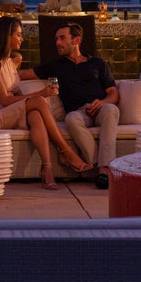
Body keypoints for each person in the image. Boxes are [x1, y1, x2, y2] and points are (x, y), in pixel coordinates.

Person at [0, 16, 90, 190]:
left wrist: (30, 101)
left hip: (8, 111)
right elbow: (5, 100)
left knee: (35, 113)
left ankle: (47, 168)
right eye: (19, 35)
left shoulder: (14, 61)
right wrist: (40, 94)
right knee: (36, 101)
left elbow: (15, 91)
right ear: (7, 36)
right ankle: (66, 151)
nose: (22, 38)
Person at [26, 22, 119, 190]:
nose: (57, 43)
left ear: (76, 40)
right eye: (56, 39)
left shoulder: (98, 63)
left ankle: (102, 169)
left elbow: (113, 93)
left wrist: (103, 102)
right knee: (71, 118)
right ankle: (102, 168)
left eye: (62, 38)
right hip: (78, 113)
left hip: (101, 109)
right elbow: (21, 74)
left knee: (111, 109)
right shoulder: (55, 65)